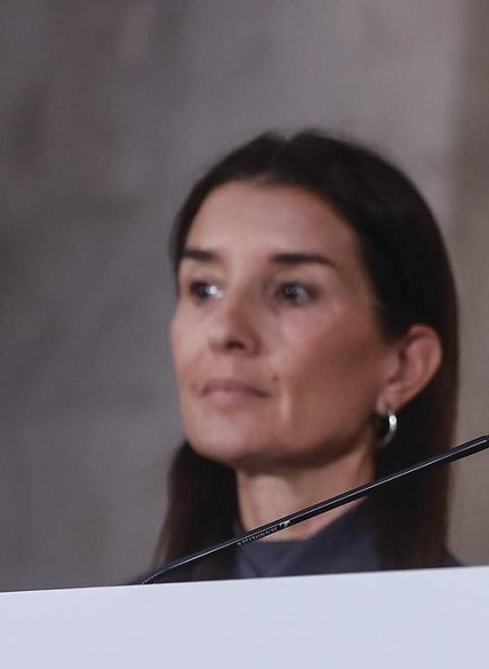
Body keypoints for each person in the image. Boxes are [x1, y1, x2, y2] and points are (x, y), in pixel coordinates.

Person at [153, 130, 459, 581]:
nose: (225, 330)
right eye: (205, 288)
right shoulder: (118, 638)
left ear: (403, 366)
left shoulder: (475, 640)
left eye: (292, 292)